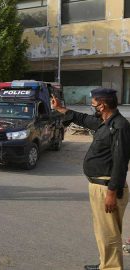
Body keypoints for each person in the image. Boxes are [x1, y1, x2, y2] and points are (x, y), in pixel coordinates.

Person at [52, 88, 130, 270]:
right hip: (100, 185)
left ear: (102, 105)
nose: (92, 106)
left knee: (109, 232)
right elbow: (82, 119)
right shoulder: (104, 122)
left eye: (94, 103)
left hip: (107, 187)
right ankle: (107, 263)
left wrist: (111, 192)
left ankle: (111, 267)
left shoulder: (119, 126)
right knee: (104, 231)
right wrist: (61, 108)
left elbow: (120, 163)